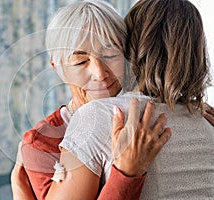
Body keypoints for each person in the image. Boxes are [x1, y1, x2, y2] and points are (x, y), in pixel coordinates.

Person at [11, 0, 172, 199]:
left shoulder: (147, 114)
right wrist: (127, 173)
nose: (99, 73)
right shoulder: (42, 144)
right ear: (58, 69)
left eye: (110, 54)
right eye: (81, 61)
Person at [57, 0, 214, 199]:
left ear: (129, 47)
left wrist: (21, 192)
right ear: (197, 54)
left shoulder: (99, 116)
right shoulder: (208, 124)